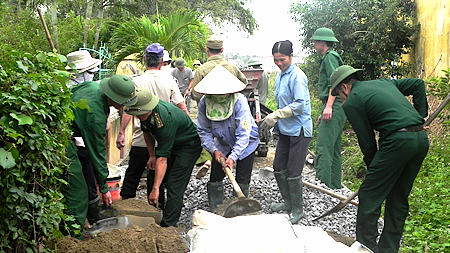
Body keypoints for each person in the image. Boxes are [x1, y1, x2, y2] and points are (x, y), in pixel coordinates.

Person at [330, 65, 429, 253]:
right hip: (420, 140)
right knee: (398, 198)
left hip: (398, 143)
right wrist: (419, 117)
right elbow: (418, 84)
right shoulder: (383, 83)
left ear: (344, 87)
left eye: (339, 95)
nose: (342, 100)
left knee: (369, 195)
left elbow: (367, 143)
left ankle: (366, 248)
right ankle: (388, 250)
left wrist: (374, 171)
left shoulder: (352, 101)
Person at [63, 73, 137, 239]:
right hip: (60, 139)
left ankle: (76, 225)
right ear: (116, 99)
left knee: (78, 184)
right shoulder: (95, 116)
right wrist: (104, 188)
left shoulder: (92, 86)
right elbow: (96, 153)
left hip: (66, 134)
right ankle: (73, 237)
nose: (125, 106)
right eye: (125, 102)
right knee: (78, 191)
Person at [116, 43, 188, 200]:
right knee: (157, 181)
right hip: (164, 140)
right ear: (162, 61)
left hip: (140, 138)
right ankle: (157, 211)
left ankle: (124, 208)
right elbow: (181, 108)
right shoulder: (169, 81)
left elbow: (128, 111)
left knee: (132, 175)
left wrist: (121, 132)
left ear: (144, 59)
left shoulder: (137, 82)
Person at [124, 88, 202, 227]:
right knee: (152, 175)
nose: (139, 117)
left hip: (188, 146)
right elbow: (146, 132)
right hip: (171, 142)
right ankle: (155, 213)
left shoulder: (164, 119)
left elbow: (163, 159)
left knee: (174, 184)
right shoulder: (144, 113)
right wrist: (152, 155)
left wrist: (156, 189)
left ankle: (168, 225)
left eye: (141, 115)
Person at [260, 40, 313, 224]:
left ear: (291, 56)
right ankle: (288, 202)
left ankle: (298, 209)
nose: (279, 63)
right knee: (278, 167)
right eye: (276, 60)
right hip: (285, 129)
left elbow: (300, 105)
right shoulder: (281, 75)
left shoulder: (297, 76)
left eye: (282, 59)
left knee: (293, 171)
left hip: (299, 129)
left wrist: (277, 114)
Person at [195, 65, 260, 212]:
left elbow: (244, 134)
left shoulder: (239, 101)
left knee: (242, 177)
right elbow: (203, 130)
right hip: (222, 143)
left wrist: (234, 157)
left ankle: (239, 207)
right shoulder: (205, 103)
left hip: (246, 144)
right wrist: (214, 150)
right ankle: (216, 208)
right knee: (216, 177)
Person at [66, 50, 114, 226]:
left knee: (84, 181)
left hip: (80, 143)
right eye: (91, 72)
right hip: (71, 145)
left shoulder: (90, 89)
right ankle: (74, 233)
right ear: (81, 73)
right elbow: (97, 147)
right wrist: (104, 187)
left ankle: (89, 217)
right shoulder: (70, 92)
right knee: (77, 190)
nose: (92, 76)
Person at [310, 27, 345, 189]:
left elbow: (335, 82)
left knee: (323, 147)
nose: (315, 45)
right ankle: (335, 186)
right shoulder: (332, 57)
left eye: (316, 42)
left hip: (335, 104)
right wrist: (326, 106)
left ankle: (322, 188)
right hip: (337, 106)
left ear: (322, 43)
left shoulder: (330, 57)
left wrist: (329, 105)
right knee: (334, 148)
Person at [191, 34, 247, 103]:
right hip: (230, 109)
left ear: (207, 49)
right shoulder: (232, 68)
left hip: (207, 110)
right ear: (222, 50)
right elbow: (244, 83)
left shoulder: (201, 70)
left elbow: (196, 93)